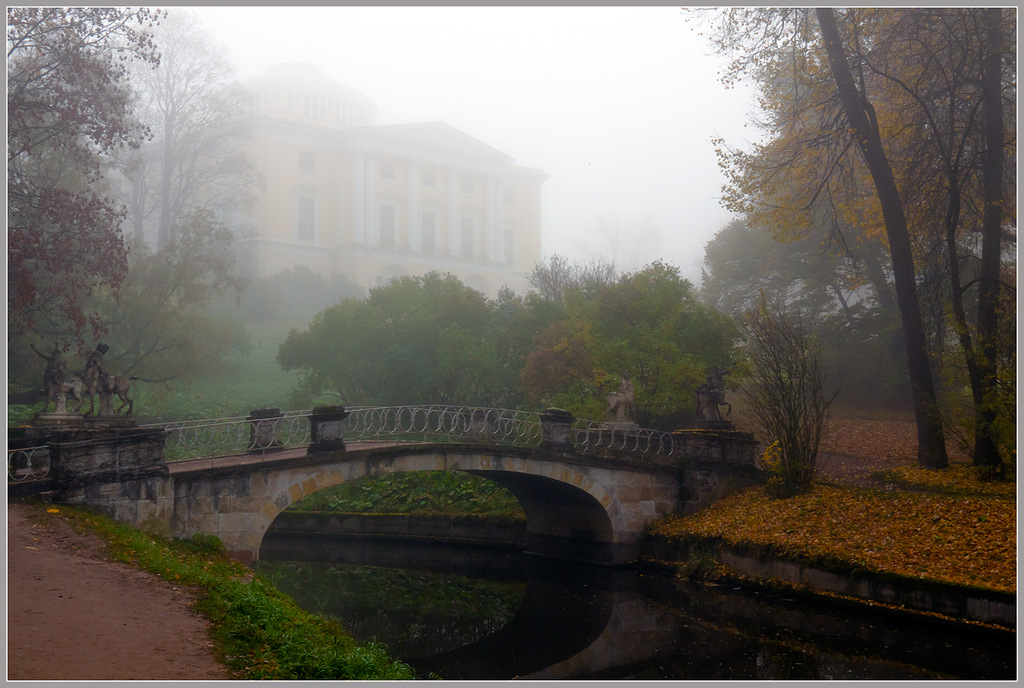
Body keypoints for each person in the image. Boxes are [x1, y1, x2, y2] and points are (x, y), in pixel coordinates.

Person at [84, 343, 109, 415]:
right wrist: (103, 372)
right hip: (92, 373)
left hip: (94, 374)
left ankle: (101, 410)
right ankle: (96, 410)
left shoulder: (95, 354)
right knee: (104, 383)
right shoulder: (97, 354)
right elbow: (99, 365)